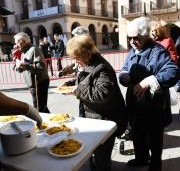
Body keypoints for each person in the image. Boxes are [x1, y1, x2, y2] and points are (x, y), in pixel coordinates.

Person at [119, 16, 180, 171]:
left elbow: (173, 71)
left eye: (136, 38)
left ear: (145, 36)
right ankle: (141, 158)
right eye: (129, 38)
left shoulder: (157, 51)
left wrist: (150, 80)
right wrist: (124, 75)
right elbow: (125, 68)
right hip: (135, 104)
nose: (132, 41)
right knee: (137, 135)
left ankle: (155, 165)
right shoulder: (133, 51)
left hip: (154, 107)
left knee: (154, 139)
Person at [61, 34, 127, 171]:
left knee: (102, 156)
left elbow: (102, 93)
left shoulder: (102, 67)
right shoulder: (90, 63)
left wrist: (77, 90)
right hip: (95, 117)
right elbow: (87, 79)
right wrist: (69, 83)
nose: (75, 61)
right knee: (96, 152)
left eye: (76, 57)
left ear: (85, 54)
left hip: (105, 120)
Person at [14, 32, 50, 114]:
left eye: (16, 43)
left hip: (39, 83)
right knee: (42, 107)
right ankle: (55, 122)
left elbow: (41, 67)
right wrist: (18, 66)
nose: (16, 45)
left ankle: (43, 126)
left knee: (39, 109)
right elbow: (23, 67)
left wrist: (26, 66)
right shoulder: (23, 51)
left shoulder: (34, 49)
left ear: (22, 41)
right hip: (33, 84)